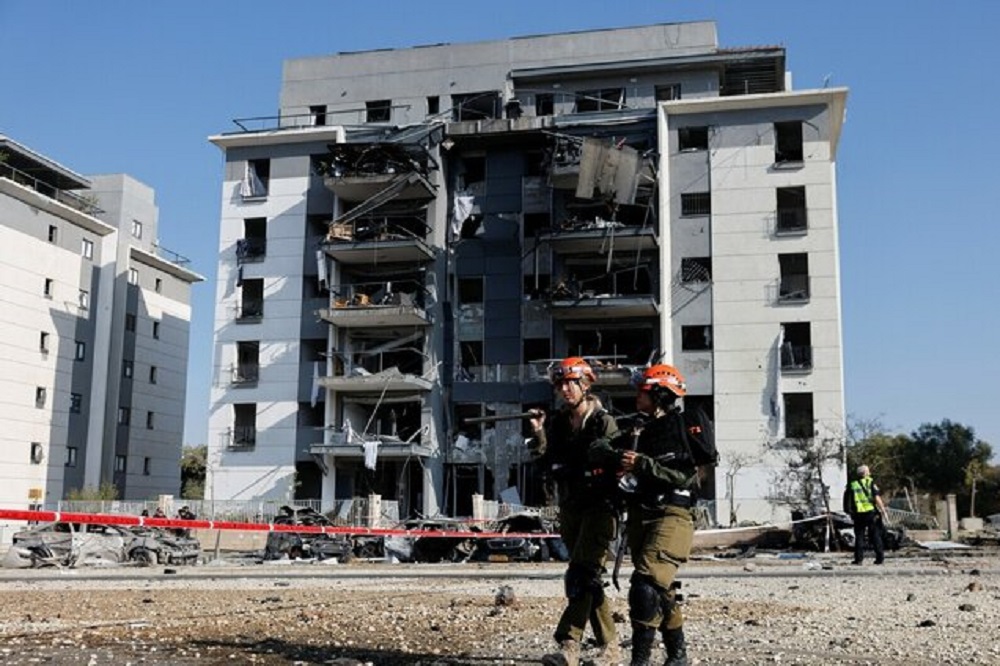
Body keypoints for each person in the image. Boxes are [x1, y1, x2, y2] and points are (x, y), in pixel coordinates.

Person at [530, 357, 622, 666]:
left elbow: (616, 462)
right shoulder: (558, 423)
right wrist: (539, 432)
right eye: (560, 384)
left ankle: (569, 644)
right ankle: (610, 647)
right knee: (588, 578)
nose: (565, 389)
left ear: (585, 385)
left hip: (600, 507)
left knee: (580, 575)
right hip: (571, 508)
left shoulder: (603, 422)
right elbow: (546, 462)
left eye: (571, 383)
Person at [615, 364, 699, 666]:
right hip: (642, 513)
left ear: (660, 394)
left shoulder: (678, 429)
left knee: (645, 585)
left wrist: (642, 464)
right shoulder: (640, 428)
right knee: (661, 589)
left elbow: (685, 478)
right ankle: (677, 656)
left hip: (673, 513)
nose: (637, 395)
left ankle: (639, 661)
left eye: (643, 390)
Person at [844, 464, 888, 565]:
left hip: (858, 514)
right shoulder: (870, 482)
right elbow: (876, 498)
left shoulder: (852, 484)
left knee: (859, 537)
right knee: (875, 535)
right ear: (865, 473)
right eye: (868, 471)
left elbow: (848, 500)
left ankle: (859, 559)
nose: (870, 473)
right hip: (871, 513)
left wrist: (850, 512)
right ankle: (880, 558)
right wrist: (883, 510)